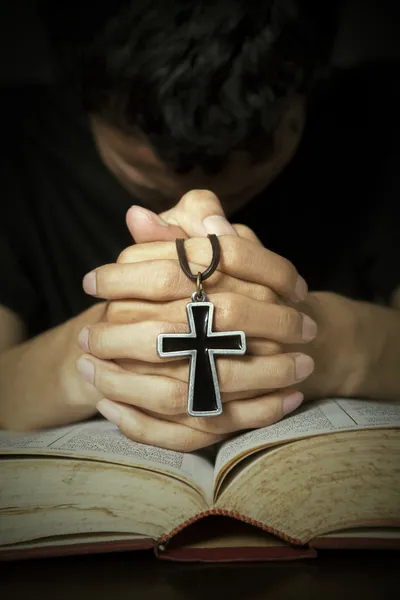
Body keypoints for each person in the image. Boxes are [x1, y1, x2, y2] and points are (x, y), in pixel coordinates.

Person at [1, 1, 399, 451]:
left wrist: (333, 341)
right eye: (151, 175)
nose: (200, 204)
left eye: (252, 166)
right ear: (86, 100)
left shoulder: (381, 118)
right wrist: (94, 353)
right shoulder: (12, 146)